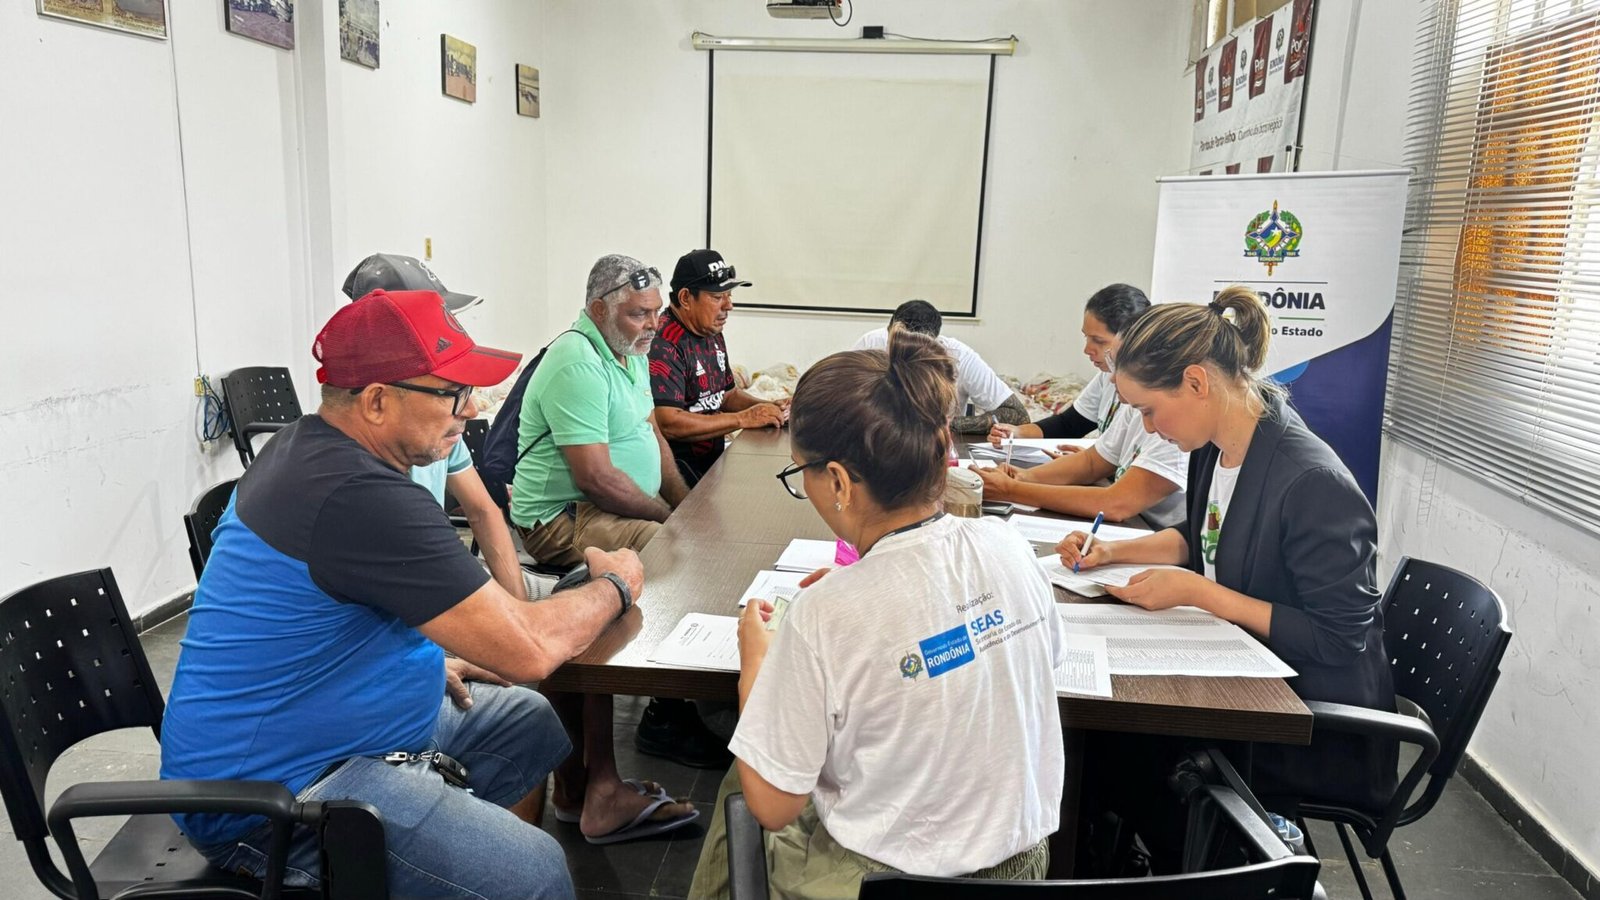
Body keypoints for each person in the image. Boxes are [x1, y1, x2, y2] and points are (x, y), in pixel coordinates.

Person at [159, 289, 673, 899]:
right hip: (274, 797)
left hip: (334, 733)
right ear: (377, 401)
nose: (474, 407)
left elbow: (332, 614)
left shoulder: (315, 447)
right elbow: (531, 650)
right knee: (532, 872)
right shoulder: (358, 495)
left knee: (526, 722)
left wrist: (426, 660)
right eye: (453, 392)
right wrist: (617, 582)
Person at [689, 331, 1066, 900]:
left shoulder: (823, 615)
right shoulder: (1009, 546)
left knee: (741, 785)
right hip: (1022, 868)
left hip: (883, 882)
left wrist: (756, 667)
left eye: (802, 474)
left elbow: (773, 806)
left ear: (839, 480)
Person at [1058, 284, 1397, 868]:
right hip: (1247, 675)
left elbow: (1339, 640)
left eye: (1148, 409)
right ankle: (1120, 861)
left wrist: (1200, 593)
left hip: (1310, 718)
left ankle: (1167, 869)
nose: (1149, 427)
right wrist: (1115, 554)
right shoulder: (1212, 447)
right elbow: (1205, 538)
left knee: (1112, 753)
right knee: (1099, 743)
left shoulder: (1310, 482)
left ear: (1196, 382)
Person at [512, 254, 730, 788]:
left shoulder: (629, 349)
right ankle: (665, 714)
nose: (653, 325)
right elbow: (596, 478)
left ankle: (683, 699)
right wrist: (669, 519)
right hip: (561, 517)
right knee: (665, 551)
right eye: (638, 314)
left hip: (603, 507)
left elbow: (651, 432)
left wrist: (687, 503)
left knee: (689, 538)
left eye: (655, 312)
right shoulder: (578, 361)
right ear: (597, 310)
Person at [343, 253, 527, 601]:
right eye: (434, 318)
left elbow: (483, 510)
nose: (449, 329)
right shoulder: (358, 469)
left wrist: (520, 608)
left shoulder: (434, 427)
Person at [650, 249, 787, 485]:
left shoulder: (710, 331)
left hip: (713, 465)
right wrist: (742, 419)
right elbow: (668, 422)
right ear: (685, 298)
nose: (729, 305)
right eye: (717, 297)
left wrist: (770, 408)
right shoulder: (663, 342)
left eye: (729, 294)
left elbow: (727, 395)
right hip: (675, 474)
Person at [987, 283, 1150, 449]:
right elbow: (1069, 425)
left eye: (1099, 341)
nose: (1087, 350)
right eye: (1086, 337)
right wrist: (1018, 433)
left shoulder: (1147, 398)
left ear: (1131, 339)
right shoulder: (1105, 375)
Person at [852, 299, 1029, 433]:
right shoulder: (871, 344)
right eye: (897, 345)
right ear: (889, 332)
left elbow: (1018, 415)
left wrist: (950, 424)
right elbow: (843, 401)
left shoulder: (960, 358)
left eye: (916, 353)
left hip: (935, 447)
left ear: (935, 343)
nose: (905, 360)